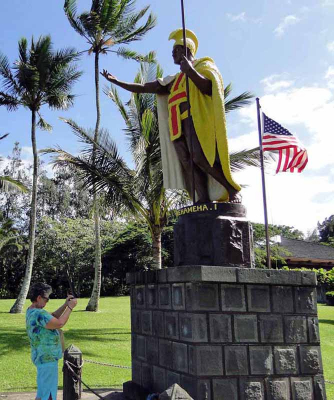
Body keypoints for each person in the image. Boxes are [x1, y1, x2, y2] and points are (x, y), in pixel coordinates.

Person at [101, 28, 241, 204]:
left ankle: (231, 188)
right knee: (188, 163)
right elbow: (144, 87)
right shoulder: (172, 81)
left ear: (186, 49)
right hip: (177, 126)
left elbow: (209, 89)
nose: (172, 53)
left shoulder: (203, 66)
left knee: (200, 157)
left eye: (175, 50)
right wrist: (116, 81)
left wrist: (190, 71)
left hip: (195, 120)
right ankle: (202, 198)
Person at [26, 282, 77, 400]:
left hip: (42, 357)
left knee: (42, 393)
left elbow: (53, 316)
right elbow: (59, 323)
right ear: (38, 298)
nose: (47, 301)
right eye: (46, 299)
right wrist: (70, 307)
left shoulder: (32, 311)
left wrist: (65, 304)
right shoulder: (39, 314)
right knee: (47, 395)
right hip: (47, 359)